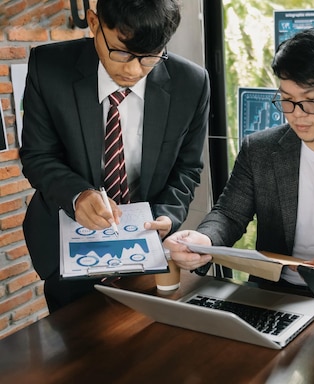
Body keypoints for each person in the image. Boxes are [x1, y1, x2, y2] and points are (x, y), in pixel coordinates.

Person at [163, 27, 314, 290]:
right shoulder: (260, 149)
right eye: (286, 100)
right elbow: (229, 214)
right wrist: (203, 240)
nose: (297, 114)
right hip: (276, 292)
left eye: (311, 101)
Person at [19, 0, 210, 313]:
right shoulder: (49, 67)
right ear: (94, 23)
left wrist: (168, 215)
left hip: (147, 249)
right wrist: (78, 196)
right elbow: (38, 156)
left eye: (149, 57)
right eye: (121, 52)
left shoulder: (191, 83)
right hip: (67, 250)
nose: (133, 70)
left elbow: (187, 168)